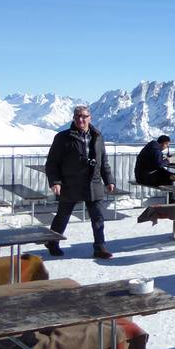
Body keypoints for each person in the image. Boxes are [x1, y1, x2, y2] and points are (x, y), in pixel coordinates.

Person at [43, 105, 115, 259]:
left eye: (84, 116)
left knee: (98, 217)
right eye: (77, 116)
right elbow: (52, 163)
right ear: (73, 118)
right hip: (70, 183)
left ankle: (100, 247)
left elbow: (103, 161)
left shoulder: (97, 136)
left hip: (93, 183)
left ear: (90, 118)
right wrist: (55, 182)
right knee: (63, 216)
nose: (80, 119)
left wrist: (109, 179)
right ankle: (52, 242)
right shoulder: (62, 137)